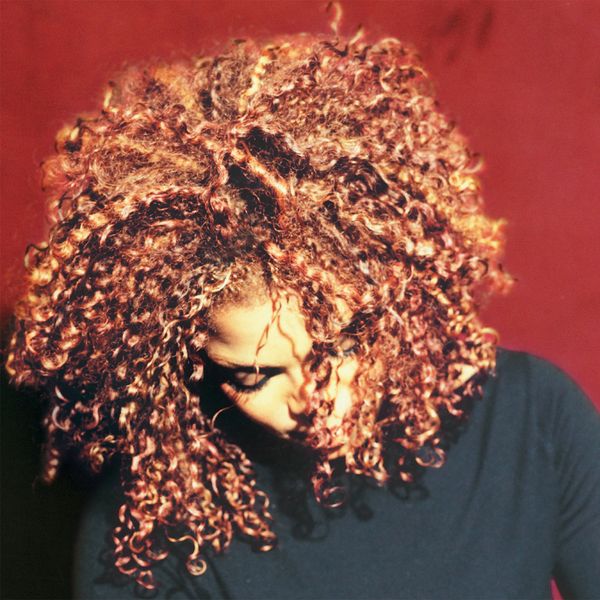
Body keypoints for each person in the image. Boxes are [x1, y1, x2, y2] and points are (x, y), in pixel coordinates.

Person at [6, 30, 599, 600]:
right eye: (254, 376)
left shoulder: (530, 422)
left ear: (390, 294)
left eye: (347, 344)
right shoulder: (146, 537)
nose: (318, 401)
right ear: (183, 361)